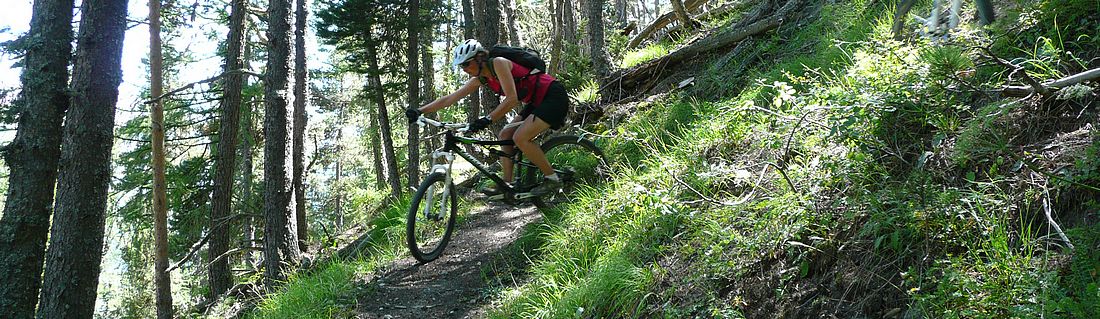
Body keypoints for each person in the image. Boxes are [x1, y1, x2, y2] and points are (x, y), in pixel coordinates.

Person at [406, 39, 569, 196]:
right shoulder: (481, 78)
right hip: (536, 101)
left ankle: (552, 178)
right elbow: (450, 98)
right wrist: (420, 111)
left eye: (466, 64)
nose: (464, 69)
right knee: (505, 135)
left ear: (479, 58)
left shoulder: (498, 63)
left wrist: (488, 119)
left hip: (552, 96)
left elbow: (512, 98)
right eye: (462, 66)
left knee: (520, 137)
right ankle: (507, 183)